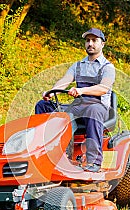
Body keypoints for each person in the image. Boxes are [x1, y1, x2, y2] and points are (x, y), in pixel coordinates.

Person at [35, 28, 116, 172]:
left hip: (98, 106)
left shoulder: (108, 67)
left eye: (94, 40)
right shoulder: (77, 66)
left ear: (102, 44)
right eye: (87, 41)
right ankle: (44, 155)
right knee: (43, 106)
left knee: (93, 110)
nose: (90, 44)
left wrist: (81, 91)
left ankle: (94, 162)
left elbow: (103, 88)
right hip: (78, 106)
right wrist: (51, 92)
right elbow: (65, 80)